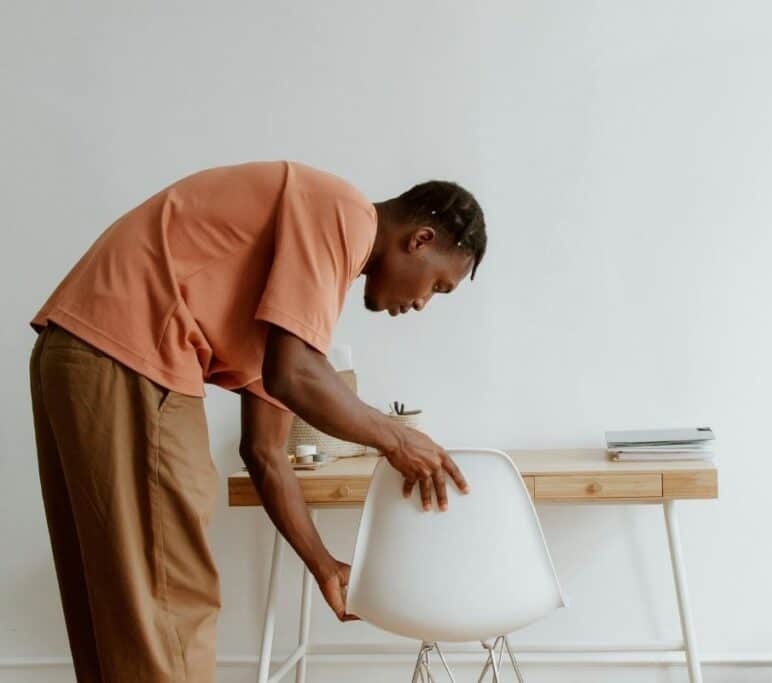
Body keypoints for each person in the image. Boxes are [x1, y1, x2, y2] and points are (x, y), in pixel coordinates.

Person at [28, 160, 487, 682]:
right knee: (169, 592)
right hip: (127, 354)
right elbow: (297, 377)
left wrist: (324, 565)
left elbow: (266, 453)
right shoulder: (345, 212)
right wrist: (395, 438)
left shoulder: (295, 287)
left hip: (80, 351)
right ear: (420, 240)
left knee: (120, 605)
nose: (423, 303)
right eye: (438, 286)